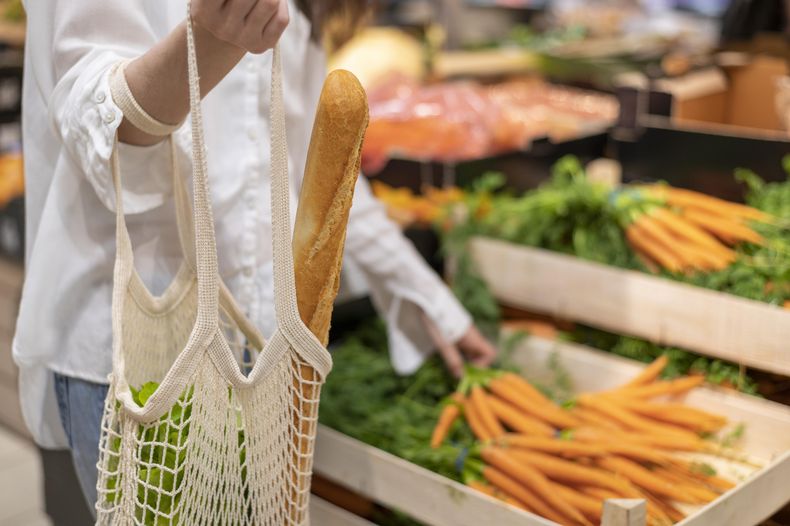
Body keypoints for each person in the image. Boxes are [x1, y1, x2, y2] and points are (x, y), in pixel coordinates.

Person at [15, 0, 497, 515]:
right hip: (140, 356)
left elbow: (320, 181)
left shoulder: (304, 15)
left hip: (262, 353)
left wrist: (432, 302)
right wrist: (214, 40)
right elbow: (99, 121)